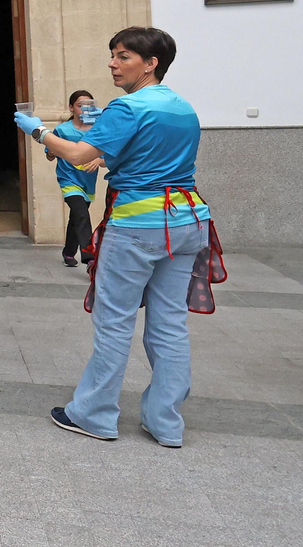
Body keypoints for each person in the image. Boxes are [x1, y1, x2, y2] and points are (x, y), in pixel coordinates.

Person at [15, 27, 213, 448]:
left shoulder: (126, 107)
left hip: (140, 224)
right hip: (189, 218)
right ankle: (166, 423)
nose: (112, 63)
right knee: (170, 325)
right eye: (113, 55)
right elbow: (146, 155)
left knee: (115, 322)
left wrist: (36, 130)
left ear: (151, 63)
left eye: (123, 56)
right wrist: (106, 154)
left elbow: (77, 154)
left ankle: (94, 414)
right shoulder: (183, 107)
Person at [47, 90, 104, 267]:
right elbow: (50, 154)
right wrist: (51, 151)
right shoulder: (62, 130)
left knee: (76, 218)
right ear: (71, 107)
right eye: (80, 105)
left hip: (87, 182)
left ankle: (68, 252)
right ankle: (89, 255)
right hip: (68, 180)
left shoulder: (97, 130)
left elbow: (109, 154)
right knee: (81, 214)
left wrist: (99, 159)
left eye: (88, 106)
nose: (84, 109)